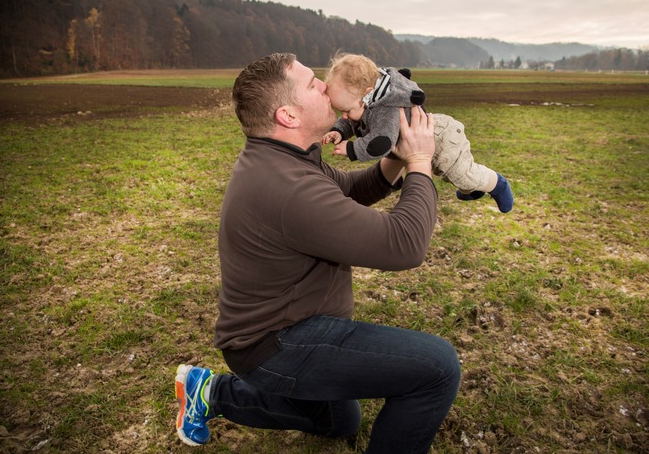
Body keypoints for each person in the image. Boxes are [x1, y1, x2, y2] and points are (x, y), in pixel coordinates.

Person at [174, 53, 461, 454]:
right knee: (437, 368)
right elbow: (405, 245)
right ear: (288, 116)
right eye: (312, 84)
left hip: (288, 327)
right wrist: (419, 162)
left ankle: (212, 393)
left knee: (339, 419)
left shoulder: (285, 156)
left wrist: (395, 157)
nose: (327, 86)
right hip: (276, 344)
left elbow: (347, 191)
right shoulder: (287, 187)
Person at [323, 53, 514, 213]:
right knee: (452, 175)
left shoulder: (386, 110)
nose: (344, 116)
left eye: (346, 111)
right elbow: (354, 122)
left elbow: (381, 143)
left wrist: (352, 148)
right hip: (422, 140)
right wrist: (339, 131)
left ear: (367, 93)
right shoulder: (366, 103)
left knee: (463, 174)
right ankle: (471, 189)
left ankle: (498, 184)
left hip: (441, 137)